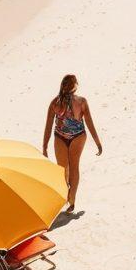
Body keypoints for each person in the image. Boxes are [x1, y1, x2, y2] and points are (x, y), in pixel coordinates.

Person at [42, 74, 102, 211]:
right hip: (78, 136)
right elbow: (89, 123)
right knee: (72, 167)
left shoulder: (55, 103)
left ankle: (69, 196)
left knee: (63, 168)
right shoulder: (81, 102)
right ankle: (71, 198)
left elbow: (48, 126)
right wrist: (97, 142)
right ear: (75, 86)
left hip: (61, 137)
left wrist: (44, 146)